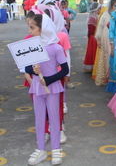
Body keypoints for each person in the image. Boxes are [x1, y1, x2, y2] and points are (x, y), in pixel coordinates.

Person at [25, 14, 69, 165]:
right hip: (37, 88)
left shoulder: (56, 47)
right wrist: (33, 69)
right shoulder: (33, 47)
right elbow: (26, 67)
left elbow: (64, 69)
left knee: (54, 118)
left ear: (43, 29)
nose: (30, 31)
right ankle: (41, 149)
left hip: (52, 88)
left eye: (32, 27)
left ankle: (56, 149)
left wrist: (49, 80)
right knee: (39, 119)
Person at [93, 0, 116, 86]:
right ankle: (107, 78)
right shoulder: (105, 14)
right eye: (115, 5)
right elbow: (100, 27)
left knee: (115, 57)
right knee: (106, 56)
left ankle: (114, 79)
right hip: (106, 38)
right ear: (111, 6)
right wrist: (98, 40)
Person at [83, 2, 101, 72]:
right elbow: (90, 30)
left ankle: (94, 67)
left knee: (94, 53)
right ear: (96, 10)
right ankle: (93, 67)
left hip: (94, 36)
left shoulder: (95, 16)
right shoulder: (92, 18)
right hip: (93, 37)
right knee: (93, 53)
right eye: (99, 9)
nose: (100, 10)